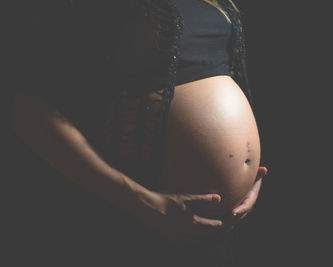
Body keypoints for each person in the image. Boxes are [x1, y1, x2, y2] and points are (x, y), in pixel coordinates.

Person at [9, 0, 268, 266]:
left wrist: (244, 181)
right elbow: (28, 112)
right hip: (139, 216)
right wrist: (142, 202)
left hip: (218, 228)